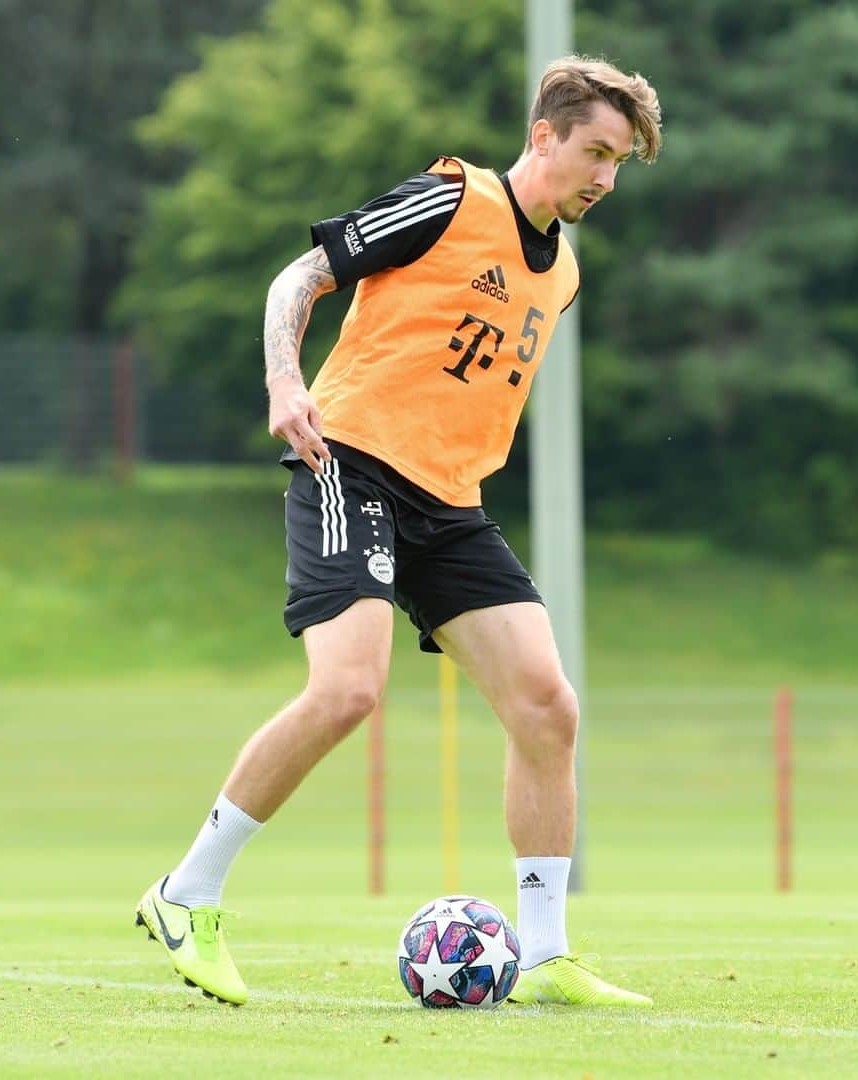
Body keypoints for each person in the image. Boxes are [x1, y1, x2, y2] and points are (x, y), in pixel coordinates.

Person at [136, 55, 662, 1008]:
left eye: (620, 162)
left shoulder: (566, 273)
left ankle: (544, 954)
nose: (607, 178)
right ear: (544, 134)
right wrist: (285, 381)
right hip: (353, 463)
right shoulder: (448, 200)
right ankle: (186, 894)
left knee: (549, 706)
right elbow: (298, 278)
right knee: (348, 691)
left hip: (449, 505)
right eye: (596, 151)